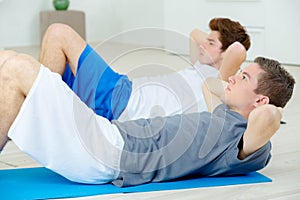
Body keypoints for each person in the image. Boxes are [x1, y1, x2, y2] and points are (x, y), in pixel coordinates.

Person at [0, 50, 295, 186]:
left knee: (17, 65)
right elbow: (210, 85)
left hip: (109, 154)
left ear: (260, 100)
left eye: (243, 77)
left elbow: (270, 115)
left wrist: (265, 104)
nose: (232, 77)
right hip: (105, 137)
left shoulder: (244, 143)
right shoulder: (222, 117)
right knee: (8, 76)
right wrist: (239, 88)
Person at [39, 17, 250, 121]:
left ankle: (39, 113)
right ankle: (41, 110)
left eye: (211, 43)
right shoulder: (200, 65)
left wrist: (229, 41)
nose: (203, 44)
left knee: (59, 32)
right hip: (121, 88)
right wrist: (214, 40)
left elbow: (238, 50)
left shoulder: (220, 82)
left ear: (226, 53)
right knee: (51, 58)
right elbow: (195, 33)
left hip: (122, 101)